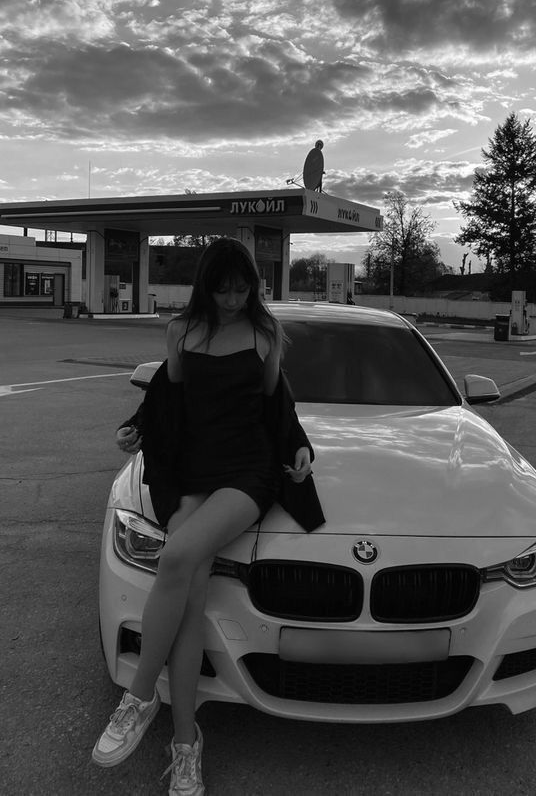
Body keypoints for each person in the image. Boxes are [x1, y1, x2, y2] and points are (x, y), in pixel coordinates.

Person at [92, 237, 323, 795]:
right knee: (189, 603)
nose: (233, 297)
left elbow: (277, 402)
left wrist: (299, 447)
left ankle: (140, 696)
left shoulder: (264, 333)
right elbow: (167, 396)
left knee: (175, 556)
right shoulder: (181, 331)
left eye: (242, 287)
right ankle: (186, 745)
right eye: (223, 287)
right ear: (206, 285)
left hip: (248, 473)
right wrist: (138, 426)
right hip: (192, 470)